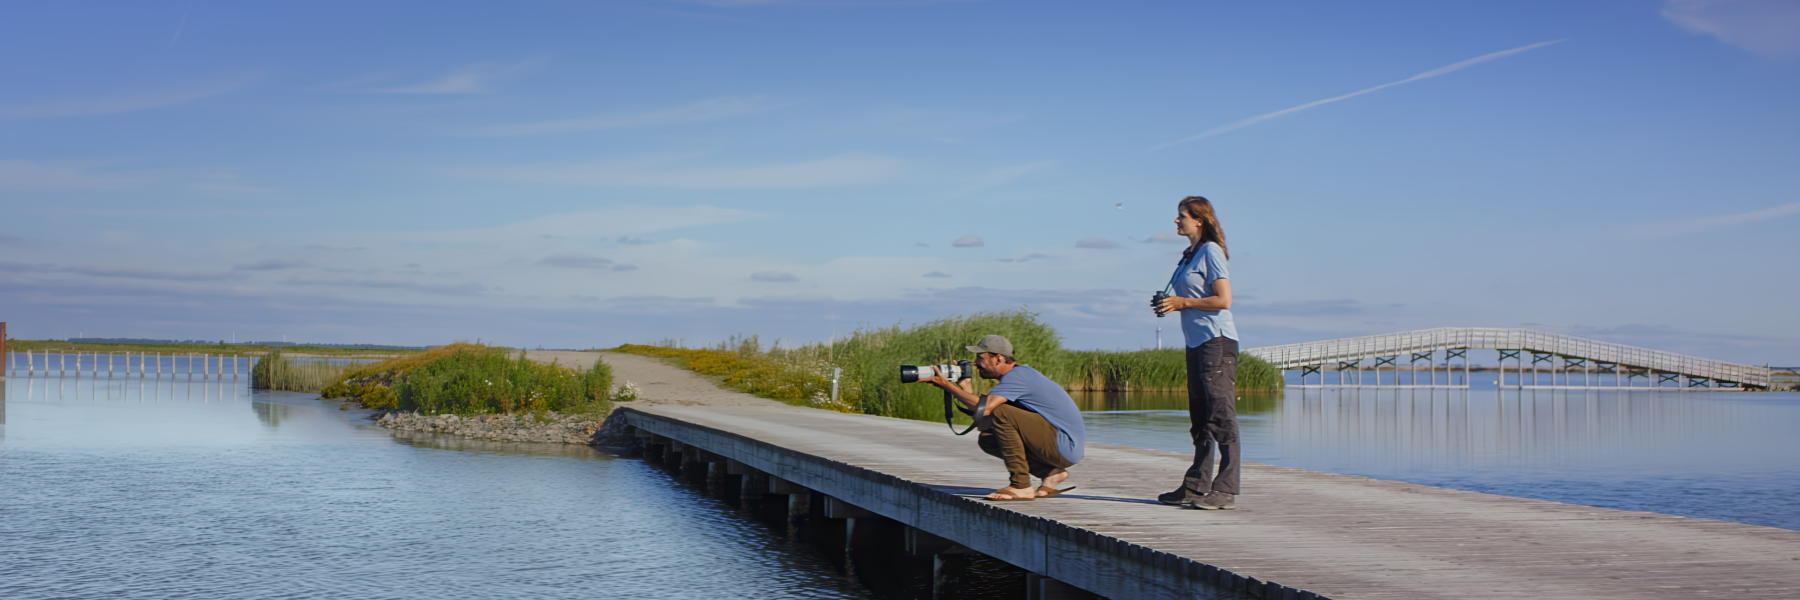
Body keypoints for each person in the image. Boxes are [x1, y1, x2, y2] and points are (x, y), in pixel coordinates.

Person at [1151, 196, 1242, 510]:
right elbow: (1186, 297)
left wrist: (1182, 303)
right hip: (1197, 344)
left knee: (1221, 416)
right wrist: (1167, 302)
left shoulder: (1211, 251)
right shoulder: (1189, 255)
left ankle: (1226, 490)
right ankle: (1195, 486)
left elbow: (1224, 300)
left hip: (1217, 342)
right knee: (1200, 419)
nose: (1176, 221)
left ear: (1198, 219)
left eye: (1181, 216)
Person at [922, 334, 1086, 501]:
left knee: (1001, 412)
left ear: (998, 359)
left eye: (980, 357)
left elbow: (987, 409)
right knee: (988, 438)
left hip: (1064, 446)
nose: (976, 363)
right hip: (1060, 447)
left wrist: (947, 386)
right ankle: (1051, 473)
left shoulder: (1019, 376)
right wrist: (965, 386)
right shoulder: (1012, 379)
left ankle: (1020, 486)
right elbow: (984, 422)